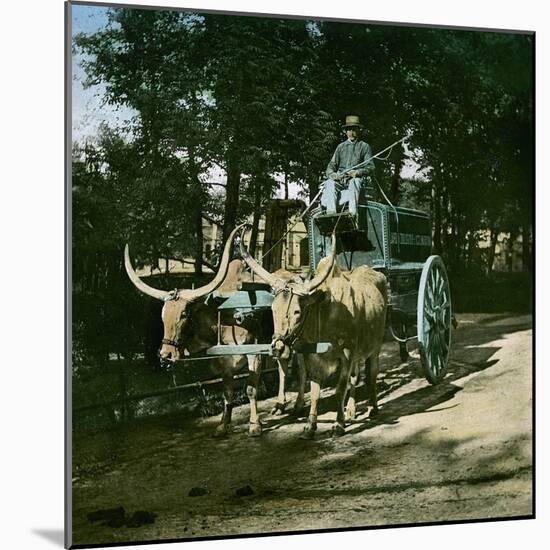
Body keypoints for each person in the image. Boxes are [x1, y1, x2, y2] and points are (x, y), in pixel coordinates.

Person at [320, 115, 375, 220]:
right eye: (349, 130)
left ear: (359, 130)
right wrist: (333, 175)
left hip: (354, 181)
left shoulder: (364, 146)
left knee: (355, 182)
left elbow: (371, 166)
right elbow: (330, 167)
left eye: (354, 129)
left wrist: (357, 172)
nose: (351, 133)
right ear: (345, 131)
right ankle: (331, 215)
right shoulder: (340, 147)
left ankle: (352, 215)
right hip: (340, 181)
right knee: (330, 184)